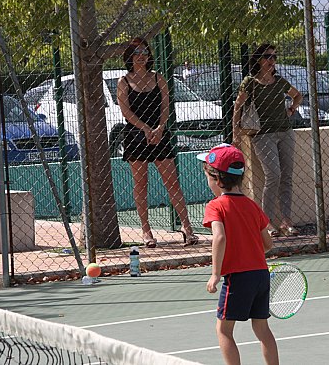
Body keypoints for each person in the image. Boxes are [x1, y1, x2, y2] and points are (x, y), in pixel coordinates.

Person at [198, 143, 279, 365]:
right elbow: (268, 243)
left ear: (218, 180)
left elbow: (220, 237)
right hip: (261, 275)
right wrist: (249, 252)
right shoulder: (253, 206)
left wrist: (215, 274)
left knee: (223, 330)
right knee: (262, 328)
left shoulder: (216, 206)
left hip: (238, 278)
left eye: (208, 176)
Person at [118, 37, 199, 248]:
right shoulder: (123, 82)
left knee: (172, 183)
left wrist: (160, 128)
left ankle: (187, 228)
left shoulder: (158, 78)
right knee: (141, 184)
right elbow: (125, 111)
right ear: (129, 56)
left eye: (144, 52)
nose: (141, 56)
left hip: (160, 134)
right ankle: (147, 232)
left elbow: (166, 106)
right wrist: (144, 128)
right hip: (136, 136)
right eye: (136, 52)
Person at [232, 43, 303, 237]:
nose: (272, 61)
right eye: (268, 57)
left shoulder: (279, 81)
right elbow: (237, 107)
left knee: (287, 177)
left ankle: (286, 222)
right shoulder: (250, 82)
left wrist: (291, 109)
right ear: (258, 60)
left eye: (274, 57)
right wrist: (235, 133)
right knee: (274, 175)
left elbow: (298, 96)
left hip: (285, 131)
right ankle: (266, 222)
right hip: (262, 135)